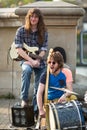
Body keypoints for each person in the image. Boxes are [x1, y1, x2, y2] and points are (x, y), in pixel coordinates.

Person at [14, 8, 48, 116]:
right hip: (26, 61)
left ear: (39, 19)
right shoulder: (21, 30)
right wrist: (31, 61)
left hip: (39, 62)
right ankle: (24, 99)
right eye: (31, 16)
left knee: (39, 85)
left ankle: (35, 109)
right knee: (27, 71)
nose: (33, 19)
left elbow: (43, 50)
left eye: (36, 17)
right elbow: (18, 49)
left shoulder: (44, 32)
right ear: (28, 18)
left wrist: (37, 60)